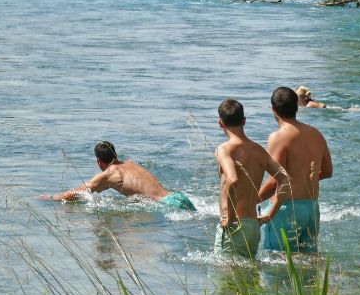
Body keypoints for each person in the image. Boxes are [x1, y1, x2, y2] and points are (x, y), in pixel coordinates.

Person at [258, 87, 333, 253]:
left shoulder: (278, 137)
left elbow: (274, 181)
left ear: (273, 110)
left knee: (278, 265)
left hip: (286, 209)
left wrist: (251, 200)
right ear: (297, 106)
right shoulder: (316, 134)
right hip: (312, 208)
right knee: (308, 265)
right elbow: (328, 171)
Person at [214, 99, 286, 258]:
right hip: (253, 226)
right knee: (249, 279)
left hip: (234, 226)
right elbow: (285, 179)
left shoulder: (224, 150)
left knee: (224, 279)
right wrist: (270, 214)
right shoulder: (259, 151)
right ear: (244, 120)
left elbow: (232, 180)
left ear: (220, 123)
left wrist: (230, 218)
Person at [46, 141, 195, 210]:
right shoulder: (130, 163)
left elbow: (78, 192)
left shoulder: (110, 174)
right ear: (115, 154)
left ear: (99, 161)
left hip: (169, 206)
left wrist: (51, 198)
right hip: (179, 198)